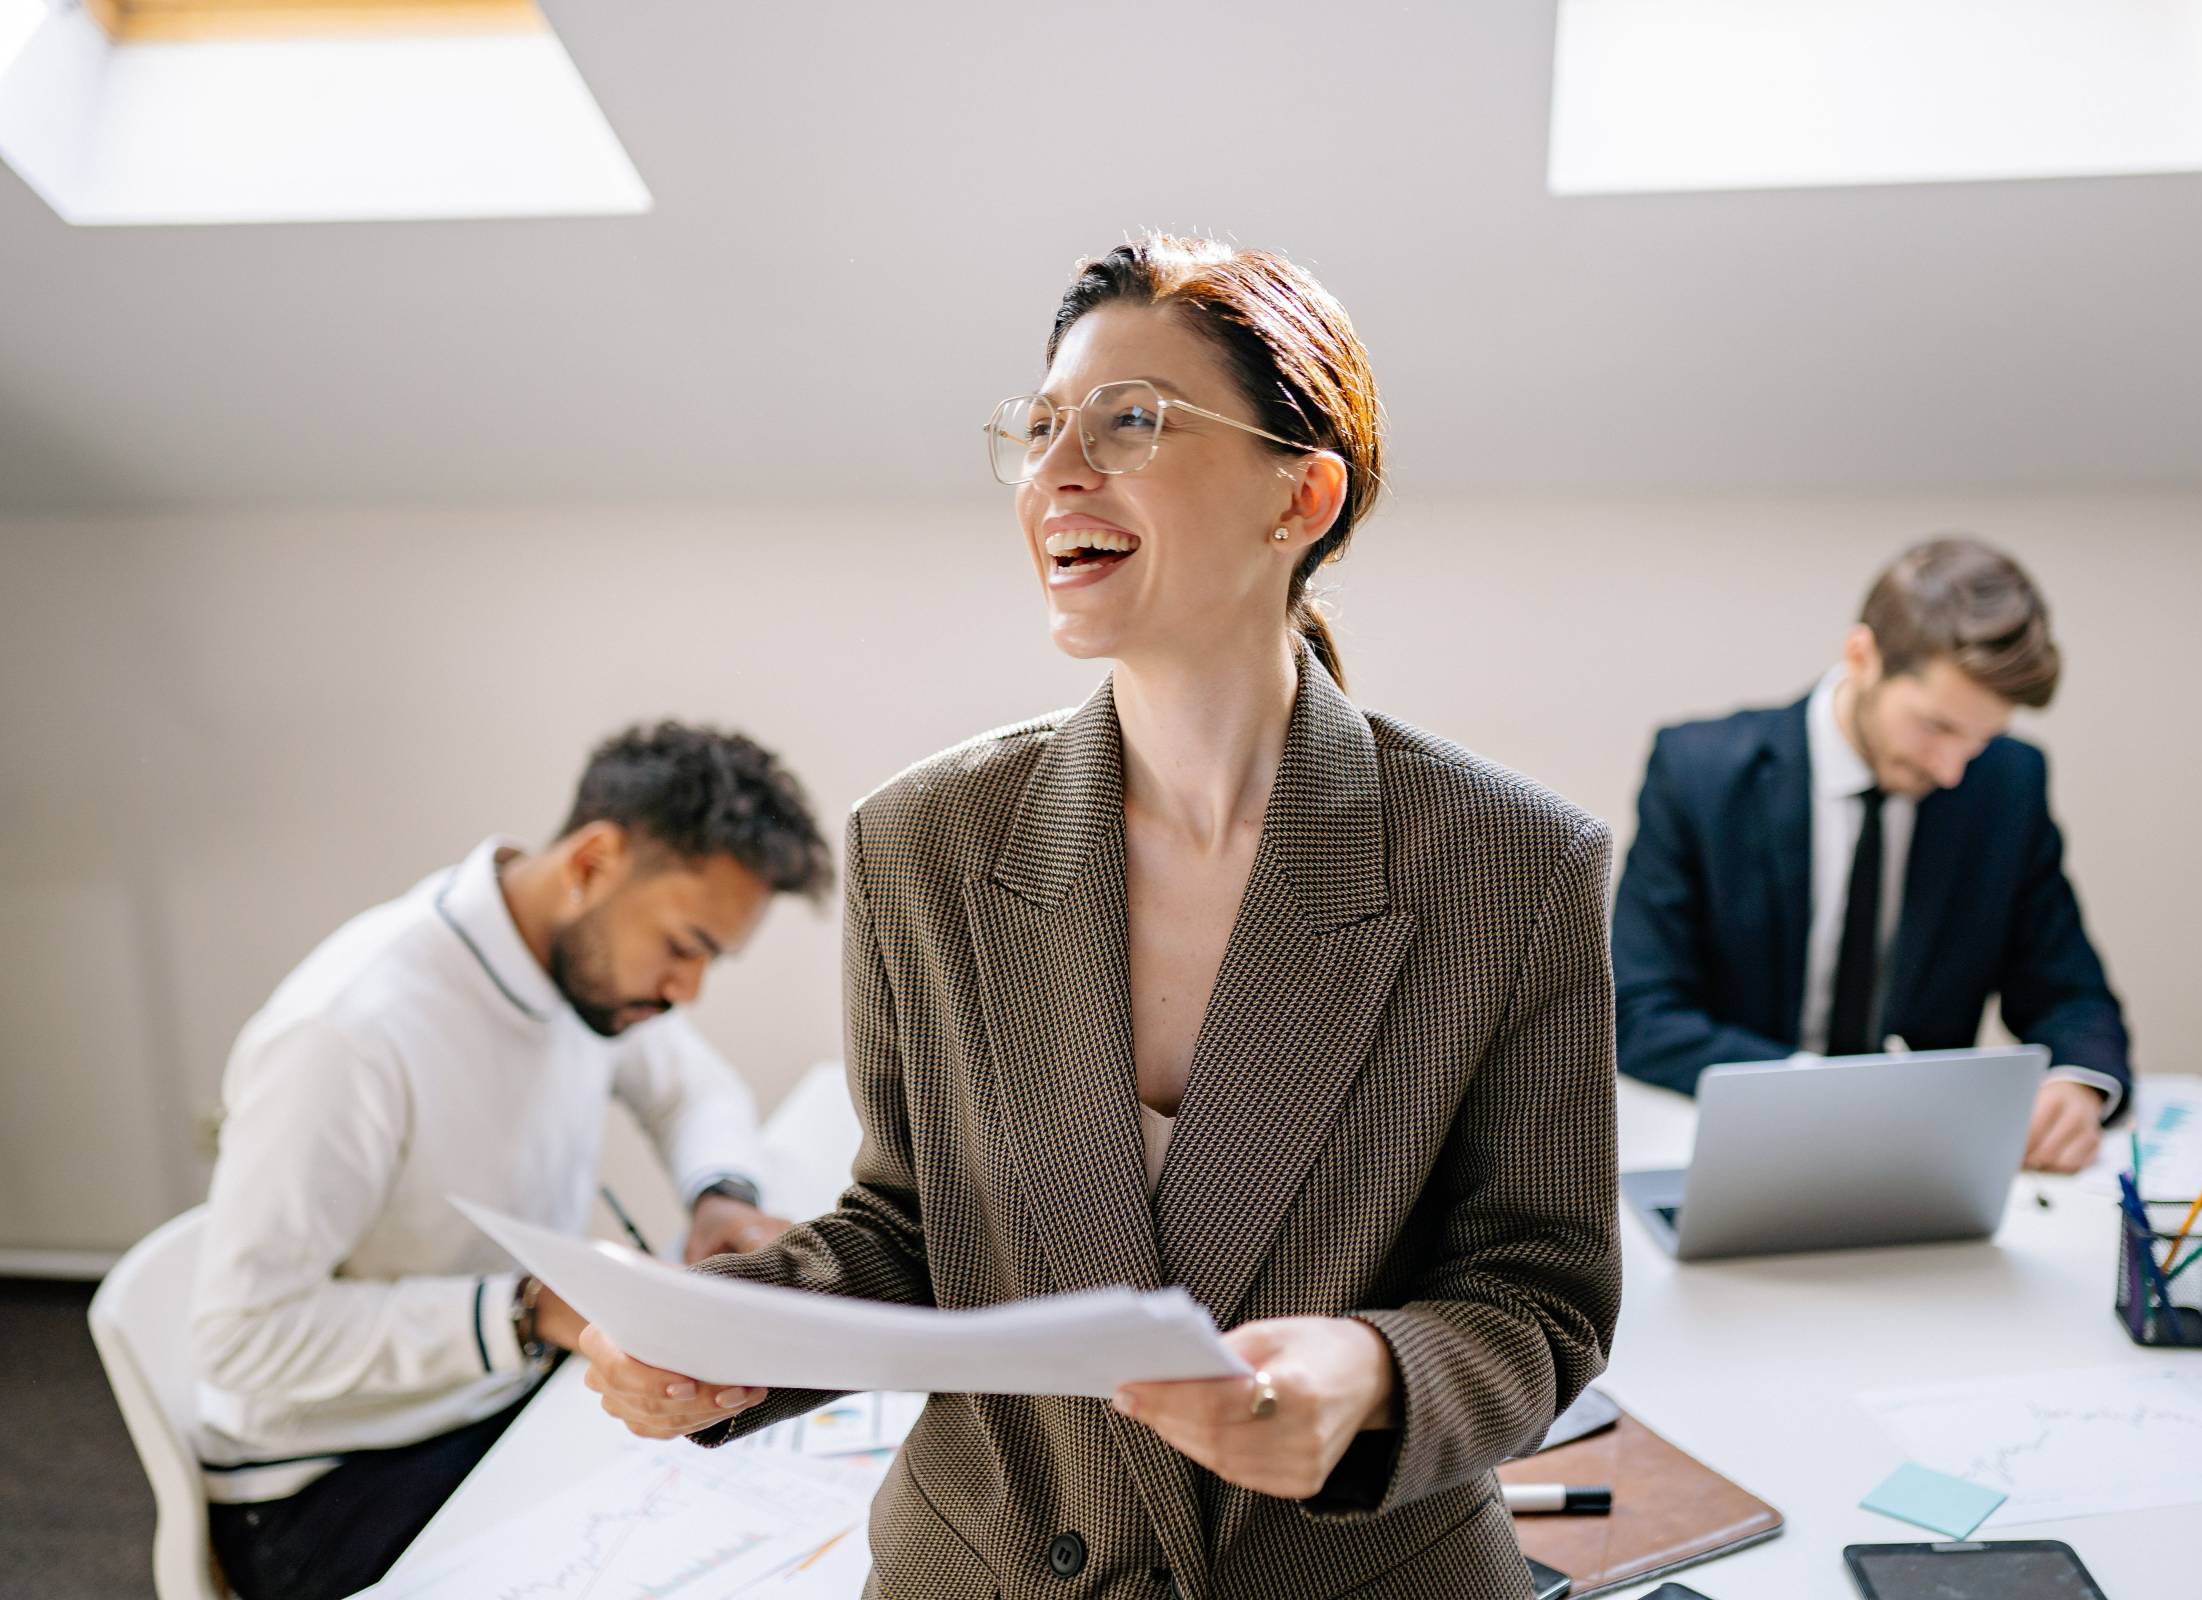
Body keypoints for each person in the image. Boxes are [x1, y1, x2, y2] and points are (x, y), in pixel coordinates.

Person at [579, 235, 1621, 1599]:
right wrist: (726, 1336)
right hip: (988, 1565)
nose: (1055, 471)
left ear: (1300, 496)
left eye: (1130, 421)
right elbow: (913, 1228)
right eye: (1040, 425)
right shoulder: (924, 844)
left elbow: (1536, 1297)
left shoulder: (1515, 867)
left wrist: (1372, 1378)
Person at [191, 722, 833, 1600]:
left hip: (494, 1400)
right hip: (326, 1482)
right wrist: (529, 1313)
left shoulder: (580, 969)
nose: (687, 991)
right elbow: (240, 1337)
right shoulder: (349, 1031)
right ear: (593, 863)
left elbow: (695, 1090)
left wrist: (720, 1196)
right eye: (685, 947)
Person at [1613, 537, 2131, 1172]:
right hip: (1738, 1146)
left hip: (1922, 1169)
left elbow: (2070, 993)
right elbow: (1640, 1013)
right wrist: (1820, 1094)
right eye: (1936, 726)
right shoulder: (1698, 773)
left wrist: (2075, 1085)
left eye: (1982, 737)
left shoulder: (2006, 784)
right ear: (1863, 656)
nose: (1950, 769)